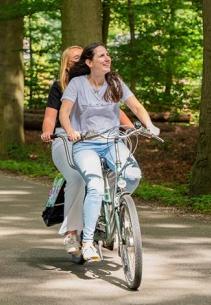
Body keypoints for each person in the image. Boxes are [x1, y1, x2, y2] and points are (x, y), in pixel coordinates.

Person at [59, 43, 159, 262]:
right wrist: (70, 131)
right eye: (101, 55)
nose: (107, 58)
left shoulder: (114, 82)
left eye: (108, 55)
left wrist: (148, 125)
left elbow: (136, 107)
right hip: (85, 144)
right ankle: (86, 243)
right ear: (89, 62)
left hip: (113, 142)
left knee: (133, 175)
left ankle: (115, 206)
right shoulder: (76, 83)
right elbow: (64, 113)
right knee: (94, 185)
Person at [41, 46, 131, 255]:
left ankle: (109, 221)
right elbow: (50, 117)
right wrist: (47, 132)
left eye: (83, 58)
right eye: (76, 59)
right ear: (67, 64)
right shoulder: (60, 86)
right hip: (66, 137)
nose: (80, 61)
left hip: (97, 136)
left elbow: (115, 112)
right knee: (79, 178)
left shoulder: (101, 83)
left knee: (113, 173)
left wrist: (131, 127)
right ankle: (72, 232)